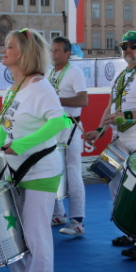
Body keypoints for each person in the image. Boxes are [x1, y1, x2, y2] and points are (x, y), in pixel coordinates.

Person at [0, 28, 71, 272]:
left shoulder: (41, 86)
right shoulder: (13, 89)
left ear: (25, 54)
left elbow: (59, 122)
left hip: (41, 171)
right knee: (13, 235)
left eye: (10, 46)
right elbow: (5, 127)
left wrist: (21, 144)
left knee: (36, 237)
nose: (3, 50)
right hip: (14, 172)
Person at [84, 31, 136, 260]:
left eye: (133, 46)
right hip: (118, 139)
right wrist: (100, 130)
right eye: (124, 46)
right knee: (113, 185)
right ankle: (130, 233)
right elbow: (110, 107)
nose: (128, 50)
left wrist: (127, 116)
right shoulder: (121, 75)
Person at [48, 36, 88, 236]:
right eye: (52, 50)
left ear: (67, 53)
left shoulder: (75, 72)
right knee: (53, 170)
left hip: (70, 126)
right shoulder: (49, 73)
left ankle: (78, 220)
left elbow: (83, 100)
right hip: (53, 128)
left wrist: (56, 99)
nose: (53, 54)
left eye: (57, 50)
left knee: (73, 173)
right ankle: (58, 213)